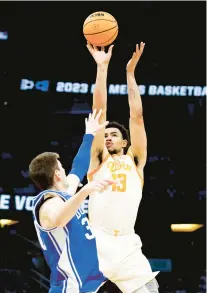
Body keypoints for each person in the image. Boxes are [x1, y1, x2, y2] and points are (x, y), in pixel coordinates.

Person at [86, 42, 159, 293]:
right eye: (105, 135)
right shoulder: (98, 159)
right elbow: (99, 111)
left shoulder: (135, 161)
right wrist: (102, 67)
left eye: (114, 134)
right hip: (96, 242)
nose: (108, 137)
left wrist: (130, 74)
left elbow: (137, 117)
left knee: (150, 289)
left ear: (125, 142)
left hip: (128, 244)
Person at [29, 109, 115, 293]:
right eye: (62, 167)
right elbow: (58, 219)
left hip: (88, 283)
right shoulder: (48, 204)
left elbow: (79, 167)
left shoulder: (66, 194)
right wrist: (84, 191)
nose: (67, 171)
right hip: (70, 286)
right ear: (58, 174)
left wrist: (89, 135)